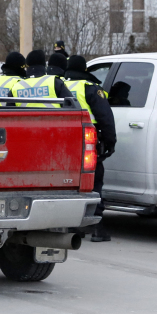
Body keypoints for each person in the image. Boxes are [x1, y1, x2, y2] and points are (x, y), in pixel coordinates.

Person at [63, 55, 117, 242]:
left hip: (63, 140)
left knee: (69, 181)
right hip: (87, 140)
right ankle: (95, 227)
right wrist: (111, 141)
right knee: (94, 181)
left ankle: (70, 225)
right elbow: (105, 117)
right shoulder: (89, 87)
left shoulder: (59, 85)